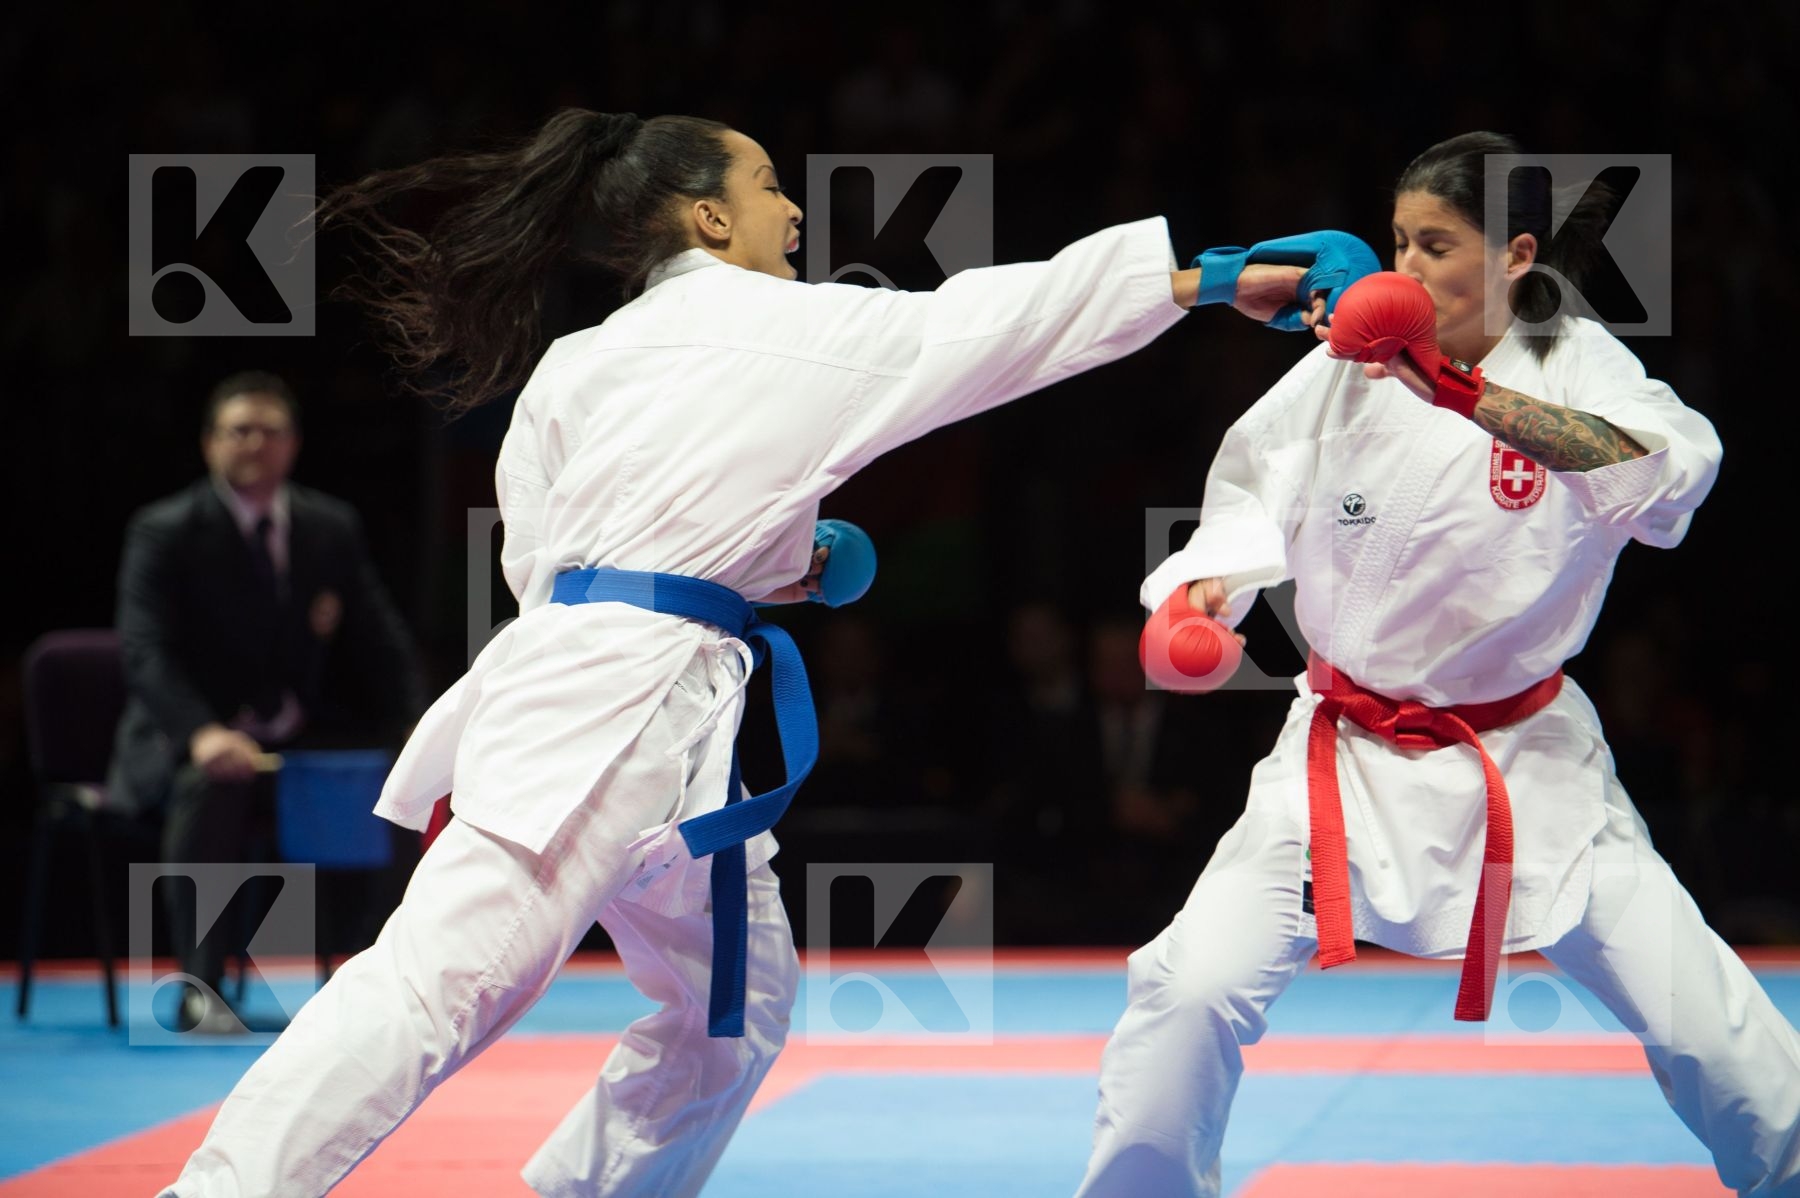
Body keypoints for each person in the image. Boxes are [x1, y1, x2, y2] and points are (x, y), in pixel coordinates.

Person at [158, 108, 1373, 1197]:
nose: (794, 209)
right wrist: (1209, 278)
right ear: (707, 214)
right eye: (770, 184)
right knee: (436, 985)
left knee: (728, 1015)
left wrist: (767, 561)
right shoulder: (791, 328)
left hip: (635, 706)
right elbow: (1001, 321)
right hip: (609, 712)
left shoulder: (574, 365)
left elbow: (548, 559)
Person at [1079, 132, 1800, 1197]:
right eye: (1397, 241)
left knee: (1717, 1030)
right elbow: (1252, 484)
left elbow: (1666, 478)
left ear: (1516, 255)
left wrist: (1462, 395)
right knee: (1188, 987)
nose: (1403, 270)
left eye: (1434, 245)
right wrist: (1203, 595)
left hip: (1529, 763)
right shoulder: (1350, 359)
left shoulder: (1575, 362)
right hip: (1340, 755)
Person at [111, 371, 423, 1034]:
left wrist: (418, 724)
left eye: (269, 431)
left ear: (293, 444)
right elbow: (145, 651)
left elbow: (379, 637)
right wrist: (201, 732)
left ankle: (383, 978)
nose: (254, 444)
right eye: (238, 431)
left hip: (292, 741)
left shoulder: (328, 527)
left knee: (397, 780)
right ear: (209, 445)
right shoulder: (164, 530)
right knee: (214, 782)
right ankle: (200, 988)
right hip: (186, 743)